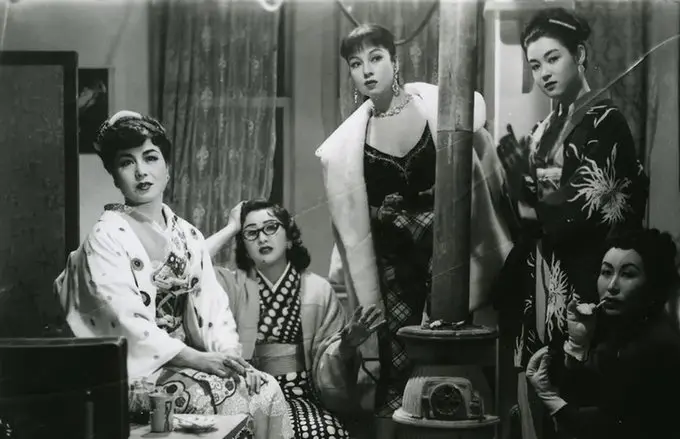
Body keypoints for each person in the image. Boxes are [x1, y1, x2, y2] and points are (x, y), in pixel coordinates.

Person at [315, 23, 514, 430]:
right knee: (399, 366)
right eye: (356, 63)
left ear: (394, 60)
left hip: (449, 259)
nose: (367, 70)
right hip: (394, 270)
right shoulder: (350, 141)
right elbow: (354, 218)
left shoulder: (434, 109)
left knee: (453, 362)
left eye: (375, 58)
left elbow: (482, 176)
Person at [54, 111, 293, 439]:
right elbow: (124, 321)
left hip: (189, 362)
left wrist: (229, 359)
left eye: (150, 157)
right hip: (137, 374)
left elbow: (213, 307)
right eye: (126, 162)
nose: (141, 171)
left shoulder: (188, 235)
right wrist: (199, 361)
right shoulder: (105, 237)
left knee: (265, 389)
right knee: (224, 399)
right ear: (114, 176)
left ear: (167, 167)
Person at [492, 7, 650, 438]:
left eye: (553, 58)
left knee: (579, 404)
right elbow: (525, 217)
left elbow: (579, 215)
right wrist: (519, 185)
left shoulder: (606, 123)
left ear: (579, 55)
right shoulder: (541, 130)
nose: (544, 72)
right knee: (536, 402)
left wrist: (529, 193)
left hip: (586, 282)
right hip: (541, 282)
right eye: (535, 65)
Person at [525, 228, 680, 439]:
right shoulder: (624, 332)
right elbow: (593, 395)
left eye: (628, 274)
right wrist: (577, 345)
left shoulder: (655, 344)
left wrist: (549, 397)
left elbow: (608, 429)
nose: (612, 286)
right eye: (606, 272)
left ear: (652, 285)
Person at [206, 200, 384, 438]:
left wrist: (346, 345)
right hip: (245, 395)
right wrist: (231, 228)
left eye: (271, 227)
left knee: (325, 434)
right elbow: (192, 265)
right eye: (251, 232)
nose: (262, 238)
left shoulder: (318, 290)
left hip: (300, 397)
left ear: (289, 237)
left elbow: (329, 361)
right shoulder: (232, 286)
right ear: (244, 246)